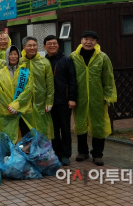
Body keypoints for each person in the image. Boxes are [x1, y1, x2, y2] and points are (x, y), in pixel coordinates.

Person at [70, 31, 116, 166]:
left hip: (97, 98)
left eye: (92, 40)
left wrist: (109, 95)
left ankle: (97, 154)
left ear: (96, 42)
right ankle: (82, 152)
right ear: (81, 40)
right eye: (86, 39)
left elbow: (108, 77)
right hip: (80, 97)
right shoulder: (74, 57)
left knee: (98, 125)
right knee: (80, 124)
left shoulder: (102, 57)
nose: (88, 42)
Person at [43, 35, 77, 166]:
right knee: (54, 129)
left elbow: (72, 80)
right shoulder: (43, 61)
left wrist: (72, 98)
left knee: (65, 128)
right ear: (44, 47)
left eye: (54, 43)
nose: (52, 45)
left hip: (64, 100)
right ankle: (57, 153)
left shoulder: (66, 60)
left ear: (58, 45)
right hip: (49, 102)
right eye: (49, 44)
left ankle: (66, 154)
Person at [18, 36, 55, 140]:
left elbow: (50, 84)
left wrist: (49, 102)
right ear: (24, 47)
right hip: (24, 106)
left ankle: (41, 154)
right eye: (29, 45)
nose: (32, 48)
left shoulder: (45, 62)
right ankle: (28, 154)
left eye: (34, 45)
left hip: (41, 104)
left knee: (42, 130)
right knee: (26, 133)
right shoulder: (19, 62)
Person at [0, 45, 34, 144]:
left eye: (15, 54)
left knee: (26, 137)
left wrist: (16, 105)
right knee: (9, 138)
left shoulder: (25, 72)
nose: (13, 56)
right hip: (7, 111)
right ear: (7, 56)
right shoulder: (0, 73)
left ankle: (26, 157)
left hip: (23, 111)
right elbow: (0, 92)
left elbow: (28, 90)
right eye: (11, 54)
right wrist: (10, 107)